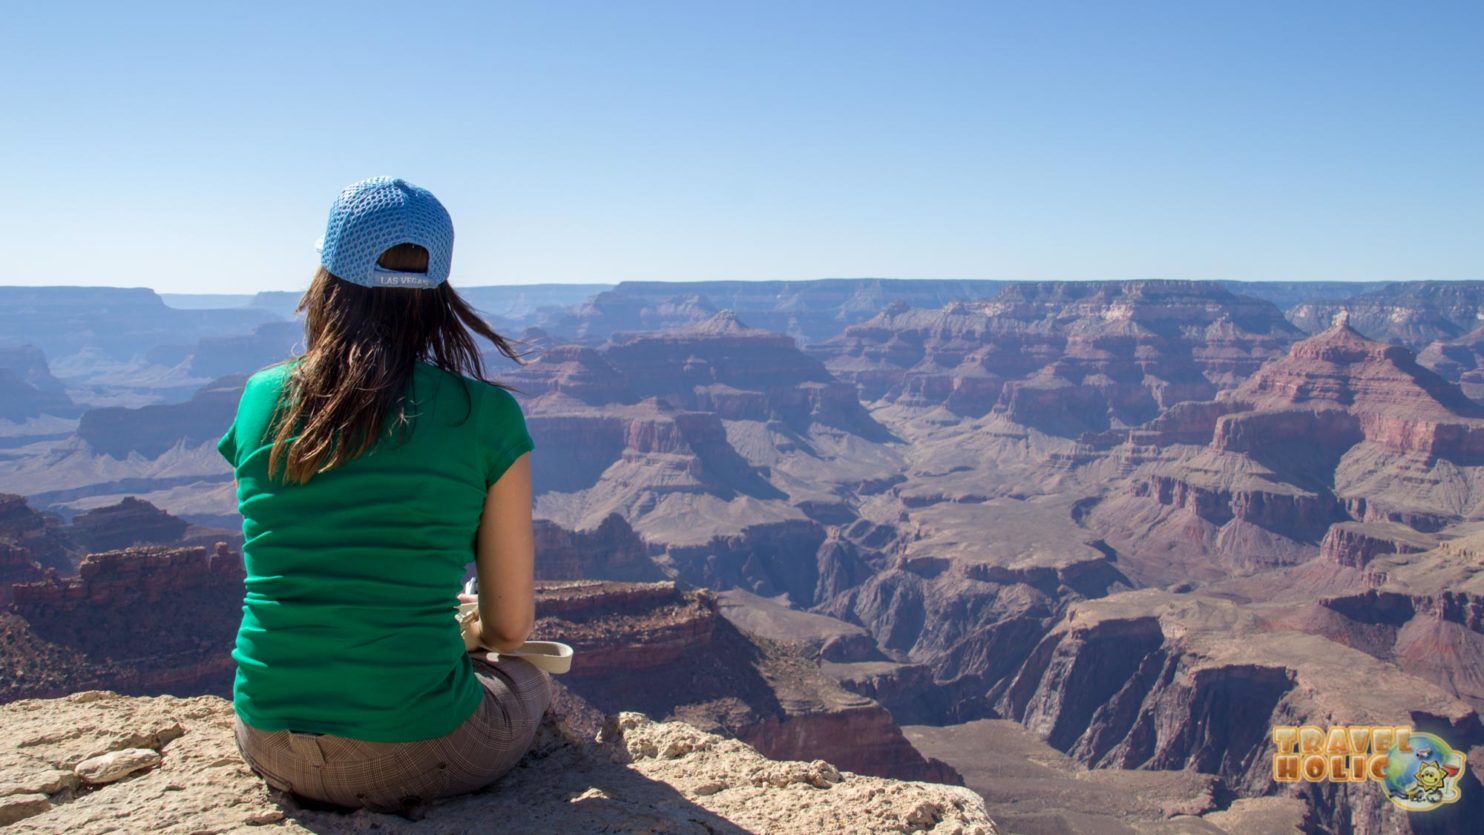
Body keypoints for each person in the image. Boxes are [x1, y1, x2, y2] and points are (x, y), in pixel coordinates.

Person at [219, 176, 552, 815]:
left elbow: (308, 551)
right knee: (532, 677)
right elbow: (510, 627)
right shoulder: (485, 415)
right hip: (418, 749)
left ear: (327, 278)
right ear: (439, 292)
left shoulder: (260, 396)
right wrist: (465, 628)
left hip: (265, 737)